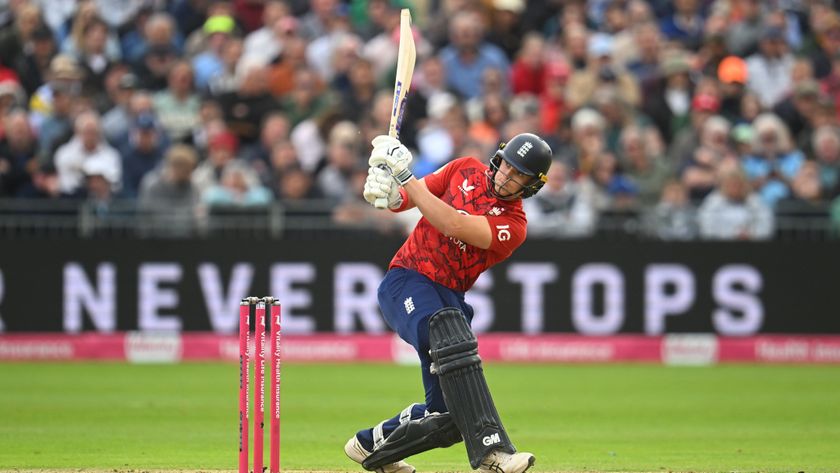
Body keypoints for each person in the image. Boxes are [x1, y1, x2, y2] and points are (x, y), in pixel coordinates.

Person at [345, 133, 552, 473]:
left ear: (532, 186)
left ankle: (370, 444)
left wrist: (405, 177)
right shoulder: (464, 169)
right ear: (498, 159)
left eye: (519, 176)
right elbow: (405, 202)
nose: (506, 177)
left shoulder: (513, 226)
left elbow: (452, 223)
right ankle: (493, 455)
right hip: (407, 279)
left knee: (448, 416)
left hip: (449, 296)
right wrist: (386, 186)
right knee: (449, 332)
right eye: (507, 167)